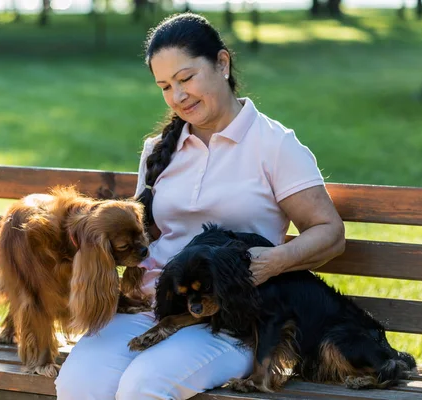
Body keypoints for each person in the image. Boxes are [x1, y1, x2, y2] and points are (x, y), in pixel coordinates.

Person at [55, 12, 345, 400]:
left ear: (222, 64)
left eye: (186, 78)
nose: (178, 96)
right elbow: (145, 234)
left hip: (231, 319)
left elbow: (330, 233)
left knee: (144, 386)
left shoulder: (274, 145)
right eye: (165, 86)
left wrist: (273, 262)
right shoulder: (158, 150)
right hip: (153, 309)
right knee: (78, 384)